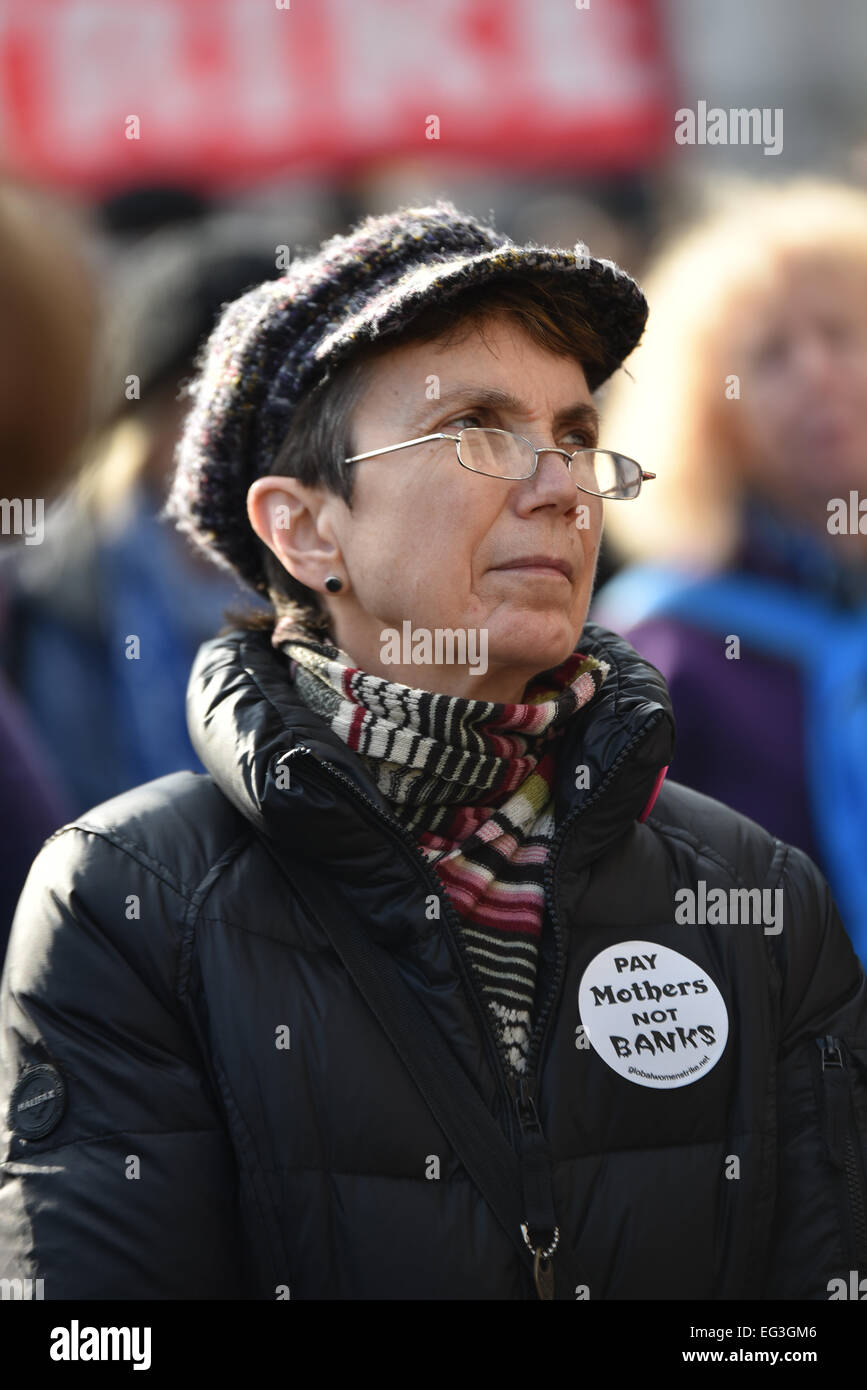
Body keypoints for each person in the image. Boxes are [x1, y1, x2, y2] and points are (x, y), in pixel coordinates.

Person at [0, 202, 865, 1301]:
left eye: (578, 438)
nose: (560, 487)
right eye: (480, 430)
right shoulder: (131, 900)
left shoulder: (755, 894)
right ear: (306, 530)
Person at [591, 180, 867, 963]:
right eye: (769, 354)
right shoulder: (666, 646)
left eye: (841, 333)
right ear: (708, 409)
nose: (816, 372)